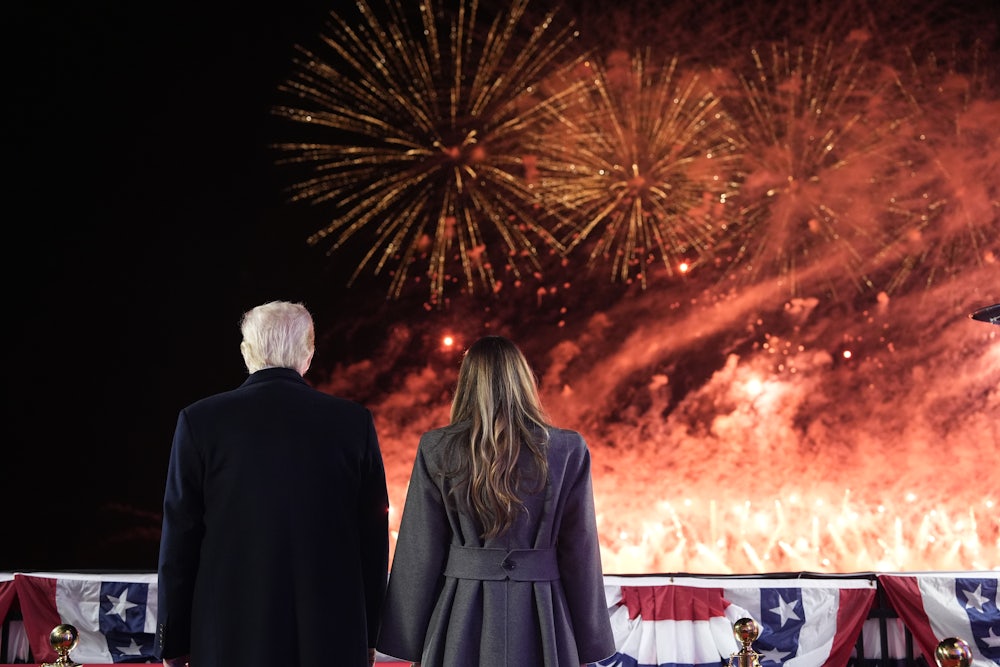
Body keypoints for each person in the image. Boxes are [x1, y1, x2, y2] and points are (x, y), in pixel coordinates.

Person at [154, 300, 389, 667]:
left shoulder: (199, 421)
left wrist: (172, 638)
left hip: (226, 636)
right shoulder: (353, 423)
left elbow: (179, 540)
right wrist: (371, 633)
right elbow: (373, 543)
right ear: (308, 354)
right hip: (332, 635)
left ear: (247, 353)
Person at [376, 335, 616, 667]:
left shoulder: (437, 448)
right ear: (524, 381)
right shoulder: (568, 449)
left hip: (460, 615)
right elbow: (580, 551)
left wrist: (405, 637)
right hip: (543, 615)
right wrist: (590, 640)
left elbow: (421, 549)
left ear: (466, 384)